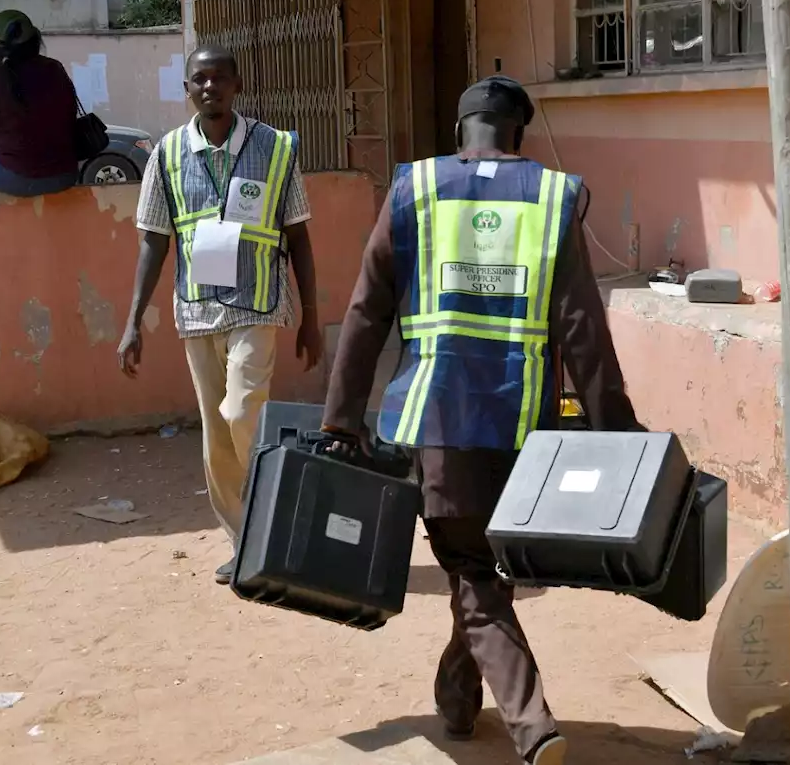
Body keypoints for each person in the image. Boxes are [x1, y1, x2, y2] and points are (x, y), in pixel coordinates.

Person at [320, 76, 643, 765]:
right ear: (517, 135)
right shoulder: (553, 196)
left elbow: (366, 311)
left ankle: (532, 725)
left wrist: (342, 418)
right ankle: (457, 700)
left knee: (470, 569)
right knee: (481, 571)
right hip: (527, 427)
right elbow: (582, 326)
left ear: (460, 131)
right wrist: (620, 430)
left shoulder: (416, 190)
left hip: (438, 424)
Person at [118, 45, 324, 585]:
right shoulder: (165, 154)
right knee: (215, 434)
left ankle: (277, 523)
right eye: (199, 79)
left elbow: (298, 236)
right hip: (196, 310)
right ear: (187, 88)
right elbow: (153, 242)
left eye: (220, 78)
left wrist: (311, 315)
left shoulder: (275, 148)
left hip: (259, 304)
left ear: (237, 85)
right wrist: (132, 320)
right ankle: (244, 543)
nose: (209, 87)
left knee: (241, 414)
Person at [0, 10, 79, 197]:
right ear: (36, 40)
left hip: (19, 176)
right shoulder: (55, 68)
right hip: (66, 174)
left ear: (3, 48)